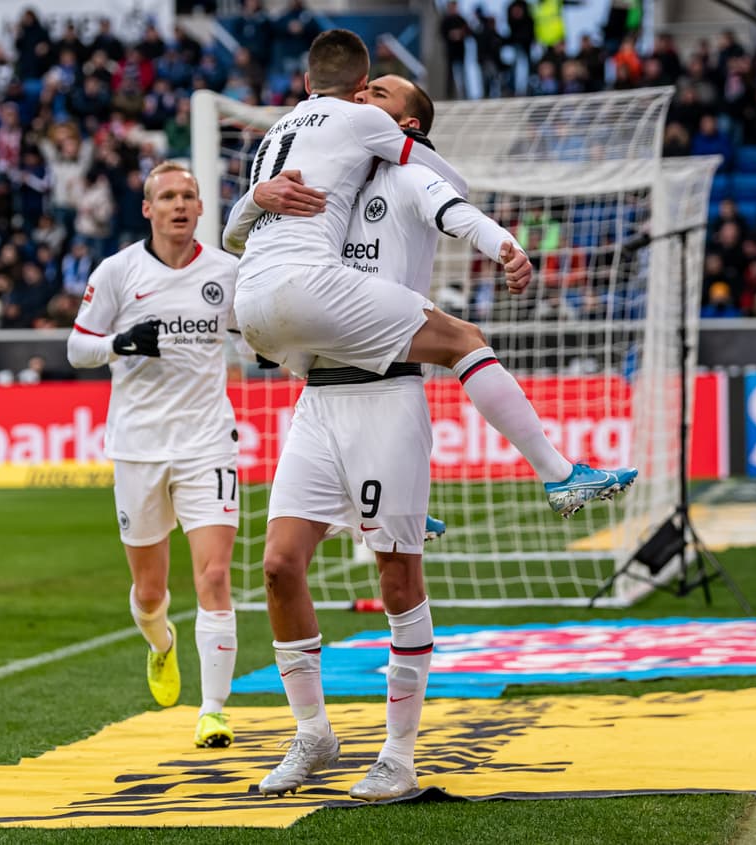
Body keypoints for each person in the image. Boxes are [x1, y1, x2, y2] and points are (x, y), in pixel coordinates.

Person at [225, 75, 635, 800]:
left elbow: (456, 208)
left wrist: (504, 245)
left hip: (387, 395)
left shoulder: (410, 174)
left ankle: (398, 755)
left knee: (396, 578)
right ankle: (313, 735)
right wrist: (257, 198)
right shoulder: (326, 177)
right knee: (280, 566)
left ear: (407, 124)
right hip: (317, 400)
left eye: (380, 92)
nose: (361, 95)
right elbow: (247, 238)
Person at [66, 162, 241, 749]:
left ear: (201, 207)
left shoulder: (227, 272)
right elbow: (76, 347)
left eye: (188, 195)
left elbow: (257, 332)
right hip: (138, 446)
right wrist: (118, 343)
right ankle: (161, 643)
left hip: (207, 442)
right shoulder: (118, 271)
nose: (179, 205)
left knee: (214, 574)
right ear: (148, 209)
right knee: (148, 591)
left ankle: (213, 710)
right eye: (167, 196)